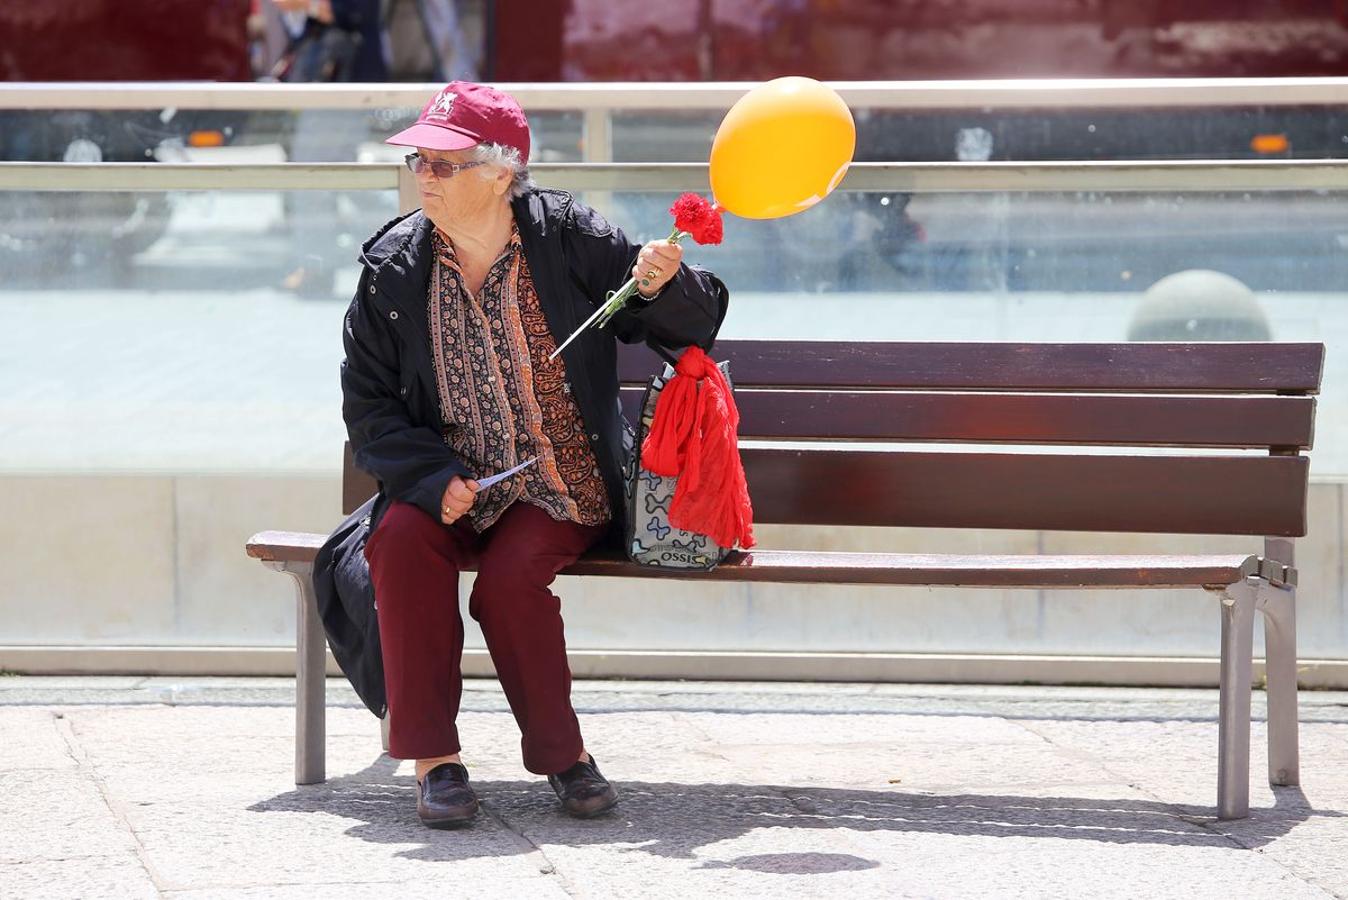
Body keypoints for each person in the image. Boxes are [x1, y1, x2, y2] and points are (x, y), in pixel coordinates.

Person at [333, 82, 729, 828]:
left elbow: (683, 328)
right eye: (419, 160)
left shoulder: (567, 235)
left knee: (512, 579)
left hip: (555, 480)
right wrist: (429, 476)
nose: (424, 176)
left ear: (501, 171)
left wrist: (662, 285)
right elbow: (368, 403)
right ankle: (434, 762)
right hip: (447, 481)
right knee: (398, 541)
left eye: (444, 164)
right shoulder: (392, 267)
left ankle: (562, 757)